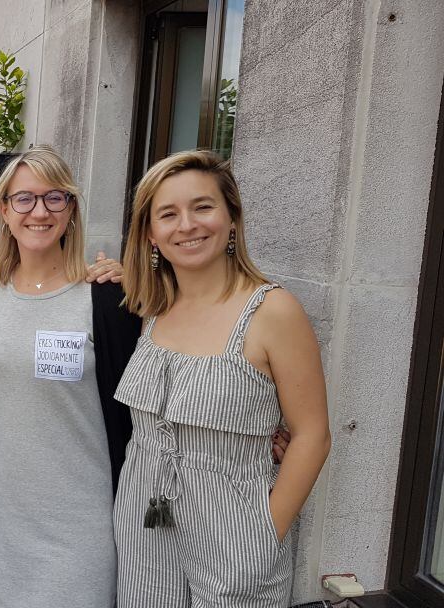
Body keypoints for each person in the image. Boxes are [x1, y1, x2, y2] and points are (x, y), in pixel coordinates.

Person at [114, 150, 331, 606]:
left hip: (234, 534)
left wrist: (265, 534)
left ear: (232, 218)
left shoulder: (272, 312)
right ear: (151, 234)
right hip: (144, 528)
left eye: (203, 207)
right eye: (168, 214)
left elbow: (312, 434)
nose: (187, 225)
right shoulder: (152, 306)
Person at [0, 145, 137, 608]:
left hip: (78, 530)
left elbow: (138, 415)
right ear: (4, 212)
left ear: (71, 210)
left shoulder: (104, 299)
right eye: (24, 199)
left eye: (55, 198)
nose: (39, 211)